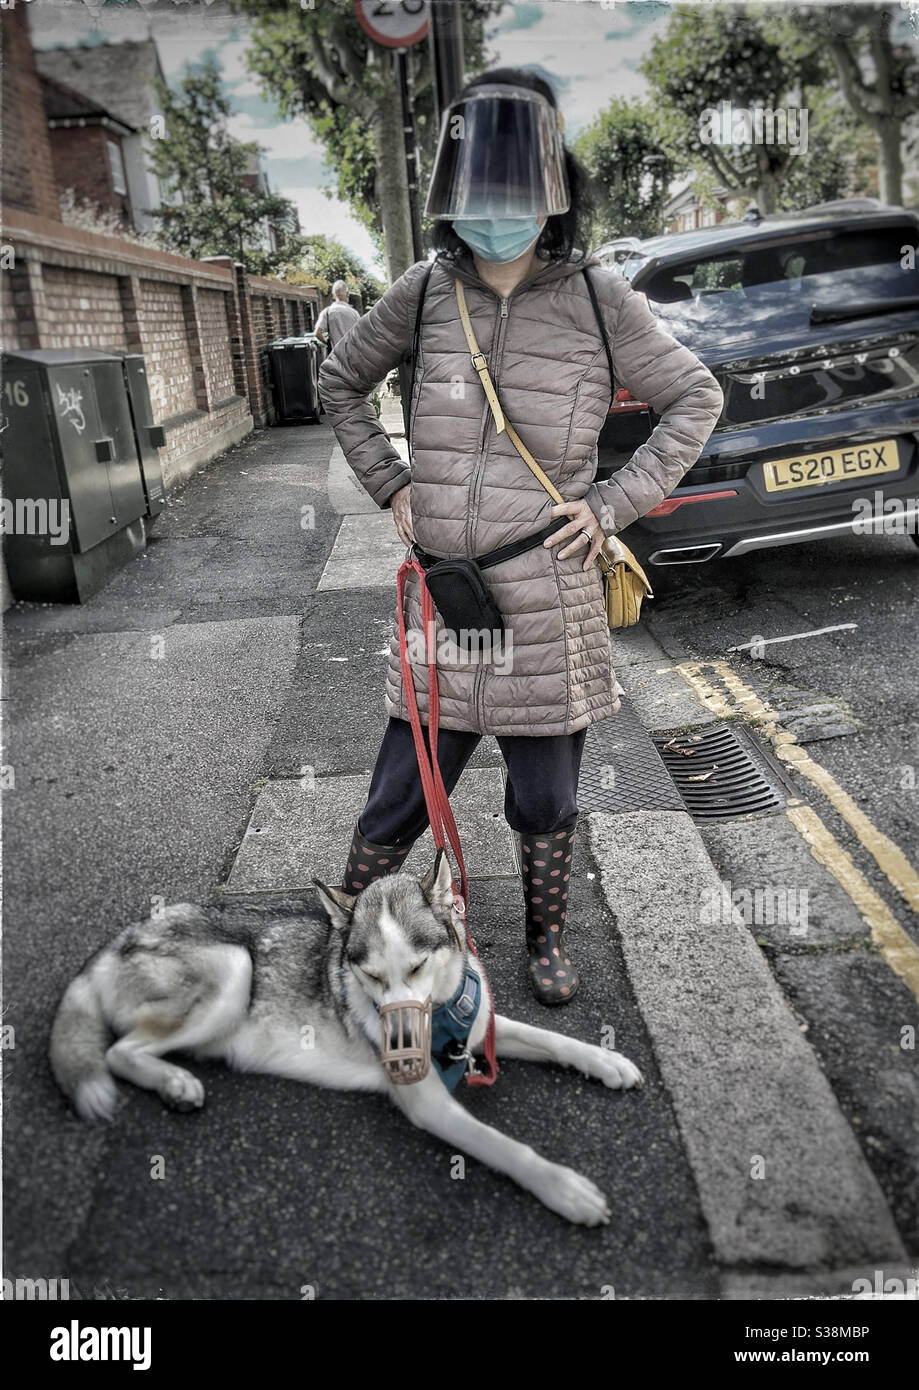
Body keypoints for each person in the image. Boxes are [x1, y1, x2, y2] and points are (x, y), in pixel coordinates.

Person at [319, 68, 723, 1005]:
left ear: (551, 201)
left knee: (544, 799)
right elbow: (339, 382)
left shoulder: (596, 297)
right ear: (451, 206)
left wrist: (614, 505)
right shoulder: (423, 293)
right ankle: (343, 927)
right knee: (399, 791)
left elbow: (694, 395)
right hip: (445, 594)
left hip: (548, 594)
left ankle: (546, 939)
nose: (496, 221)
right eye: (478, 204)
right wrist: (390, 483)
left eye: (516, 202)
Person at [314, 280, 360, 351]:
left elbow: (317, 333)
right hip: (353, 354)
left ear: (333, 295)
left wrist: (328, 344)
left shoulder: (327, 312)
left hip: (336, 355)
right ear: (347, 294)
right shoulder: (354, 313)